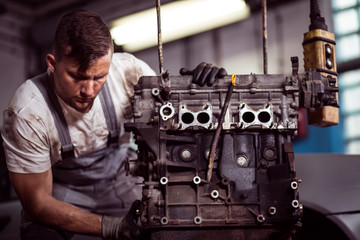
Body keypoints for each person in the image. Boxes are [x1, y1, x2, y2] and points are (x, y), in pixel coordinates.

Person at [1, 10, 227, 240]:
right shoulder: (26, 112)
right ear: (52, 63)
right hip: (62, 192)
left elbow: (173, 117)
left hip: (119, 181)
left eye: (99, 77)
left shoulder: (128, 72)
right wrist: (112, 227)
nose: (88, 90)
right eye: (77, 76)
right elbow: (38, 204)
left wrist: (201, 90)